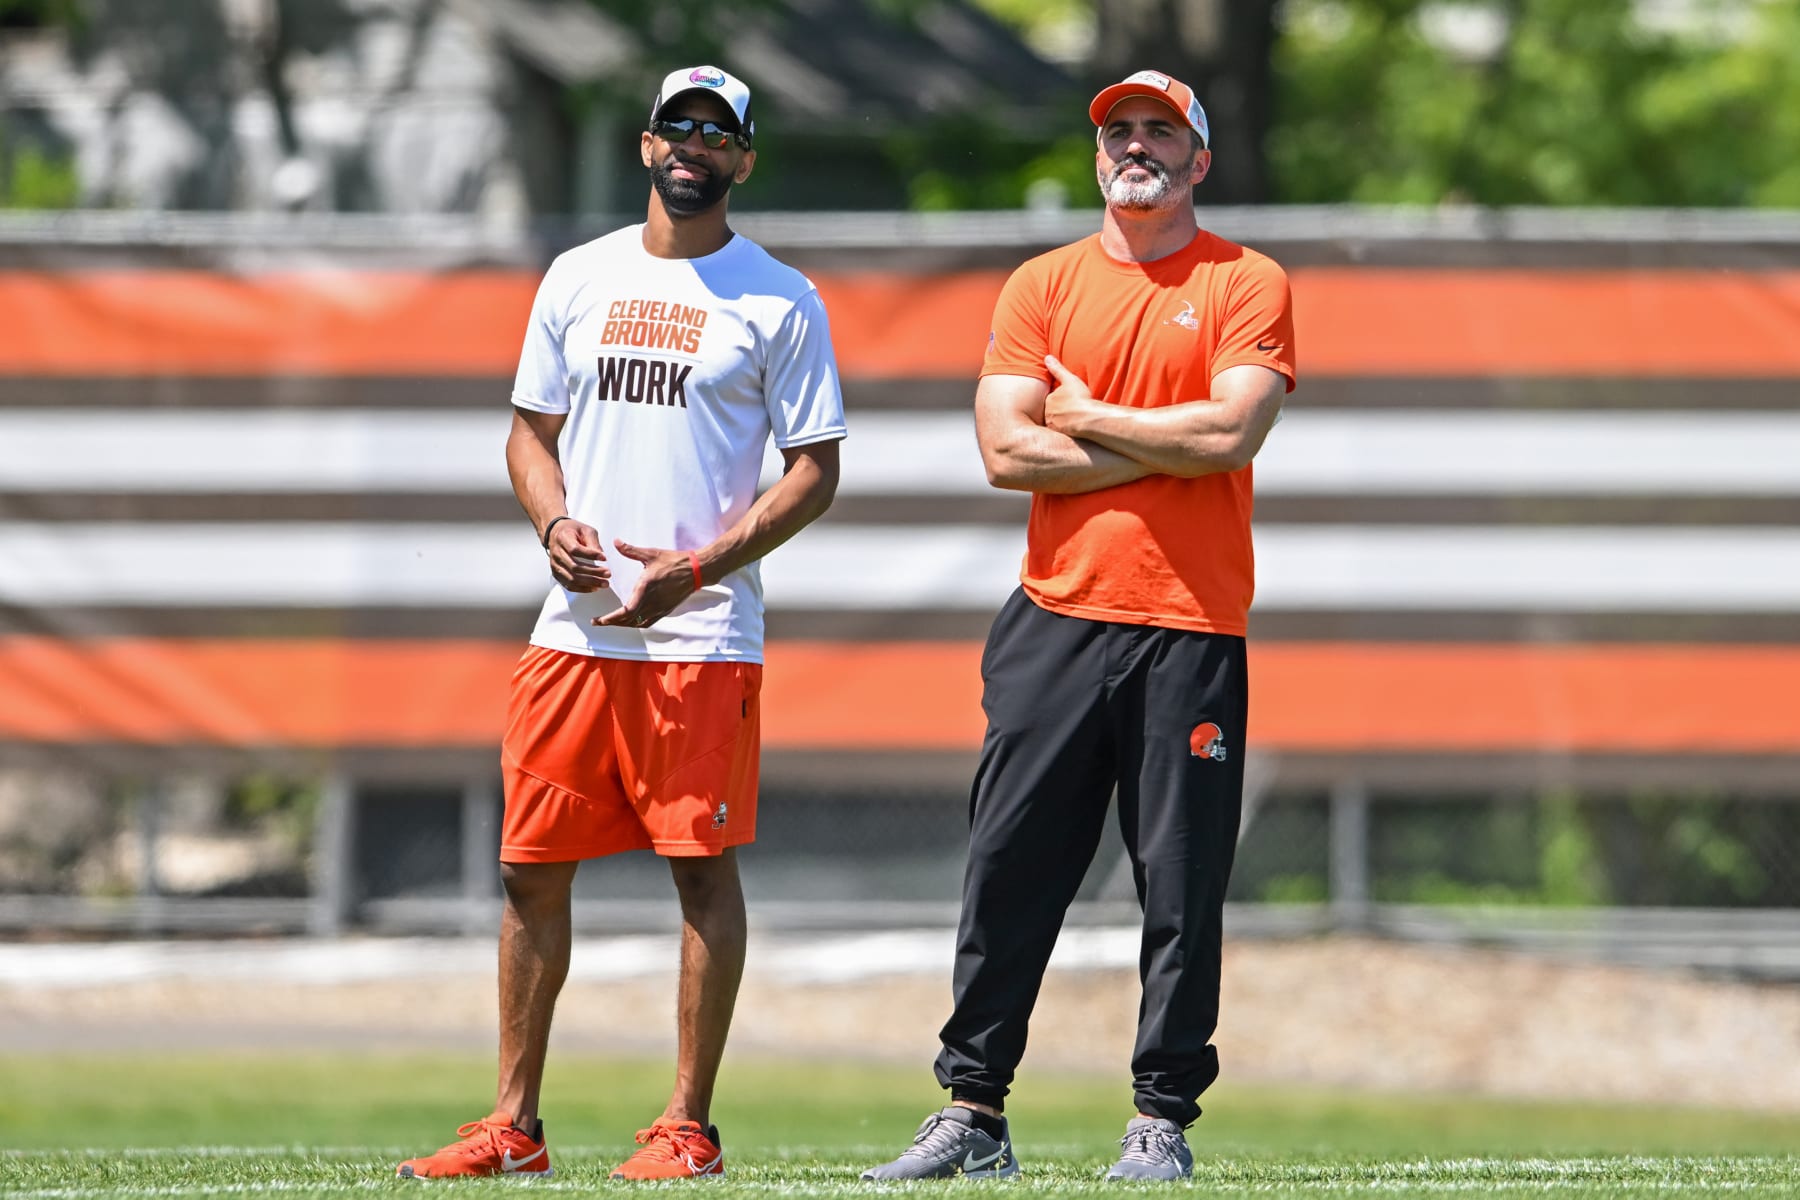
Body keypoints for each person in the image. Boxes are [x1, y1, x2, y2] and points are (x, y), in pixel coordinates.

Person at [396, 65, 845, 1182]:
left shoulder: (780, 297)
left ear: (743, 160)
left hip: (700, 638)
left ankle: (686, 1125)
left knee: (700, 871)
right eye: (679, 128)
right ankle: (513, 1126)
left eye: (719, 133)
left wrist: (695, 570)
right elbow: (527, 435)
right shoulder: (577, 274)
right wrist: (552, 523)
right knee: (530, 868)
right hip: (575, 632)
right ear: (648, 146)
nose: (695, 146)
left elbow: (815, 474)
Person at [862, 69, 1296, 1183]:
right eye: (1119, 133)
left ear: (1200, 160)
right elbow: (1008, 453)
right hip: (1054, 619)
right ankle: (972, 1112)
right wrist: (1165, 437)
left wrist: (1090, 415)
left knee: (1181, 882)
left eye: (1160, 131)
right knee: (1008, 867)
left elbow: (1231, 436)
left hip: (1191, 629)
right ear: (1101, 159)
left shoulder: (1248, 282)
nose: (1135, 147)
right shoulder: (1041, 285)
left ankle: (1160, 1121)